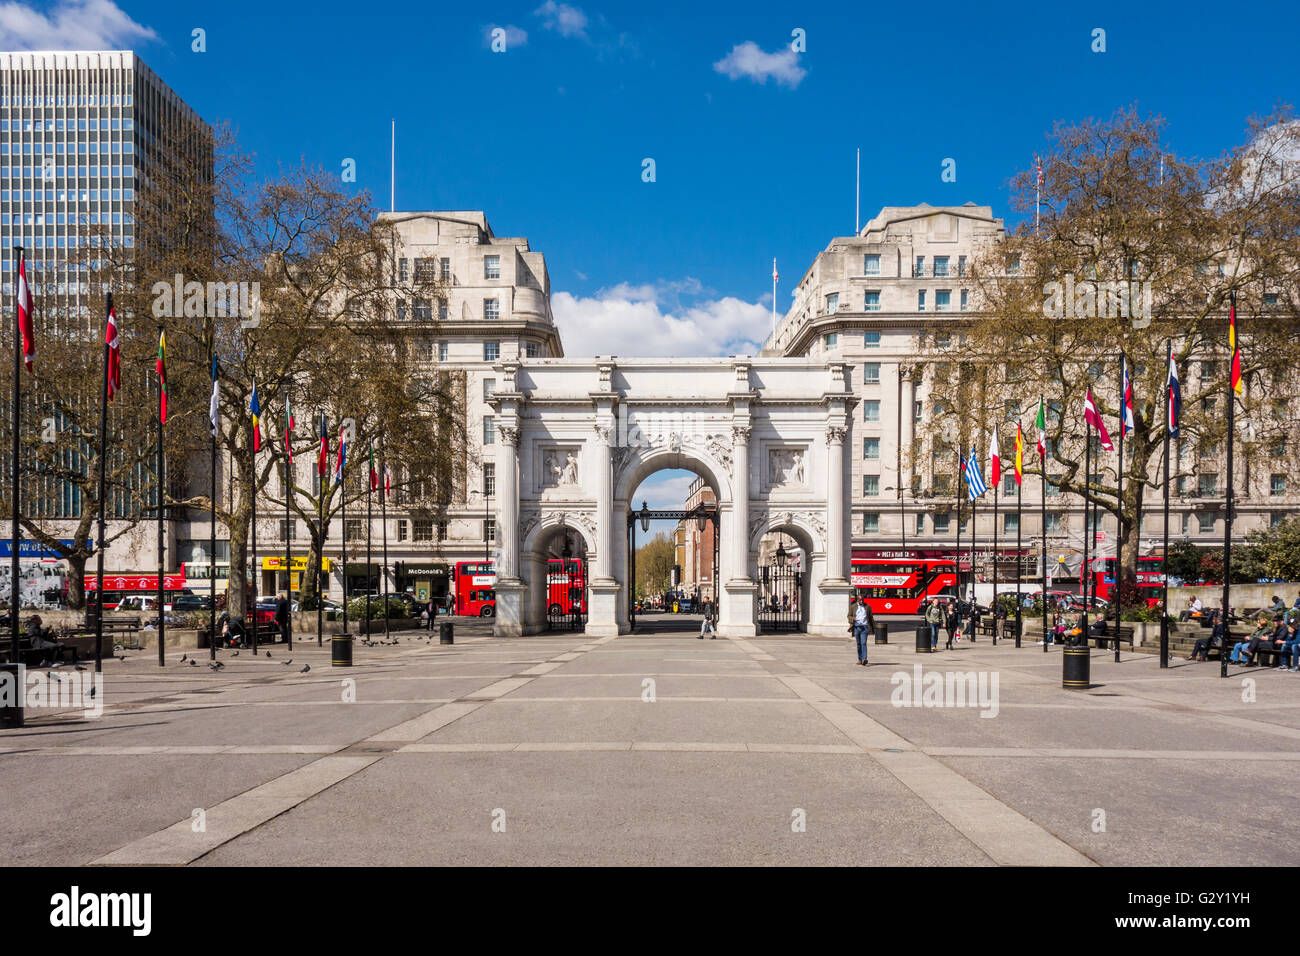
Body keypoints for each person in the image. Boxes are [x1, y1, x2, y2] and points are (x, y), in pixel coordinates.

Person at [851, 598, 869, 665]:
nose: (861, 601)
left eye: (862, 600)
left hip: (865, 627)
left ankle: (864, 659)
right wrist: (853, 619)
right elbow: (849, 616)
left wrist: (873, 628)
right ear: (857, 600)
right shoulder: (853, 607)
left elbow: (870, 617)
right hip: (856, 628)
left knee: (863, 643)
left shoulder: (867, 606)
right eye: (859, 600)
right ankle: (859, 659)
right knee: (858, 644)